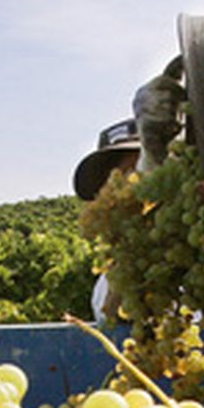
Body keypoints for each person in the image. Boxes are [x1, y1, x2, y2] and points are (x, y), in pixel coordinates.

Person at [73, 118, 144, 321]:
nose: (131, 189)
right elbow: (114, 320)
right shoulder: (107, 284)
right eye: (116, 182)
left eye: (140, 171)